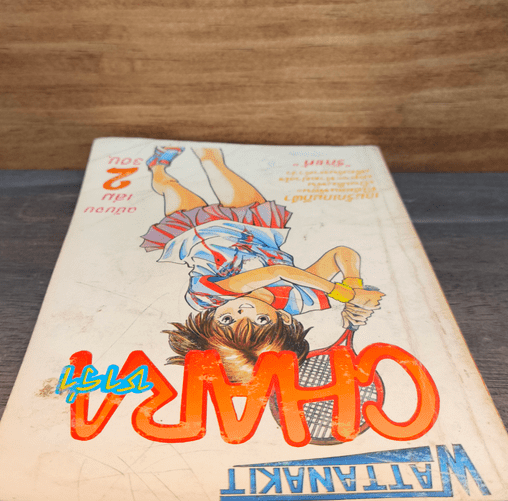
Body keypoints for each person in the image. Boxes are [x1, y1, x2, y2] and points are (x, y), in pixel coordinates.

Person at [140, 146, 384, 382]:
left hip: (195, 232)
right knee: (214, 162)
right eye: (261, 321)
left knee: (172, 185)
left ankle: (157, 166)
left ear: (212, 319)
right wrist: (353, 286)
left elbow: (278, 271)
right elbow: (342, 254)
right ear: (284, 319)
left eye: (227, 321)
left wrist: (345, 294)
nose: (243, 312)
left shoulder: (207, 296)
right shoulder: (299, 300)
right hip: (255, 229)